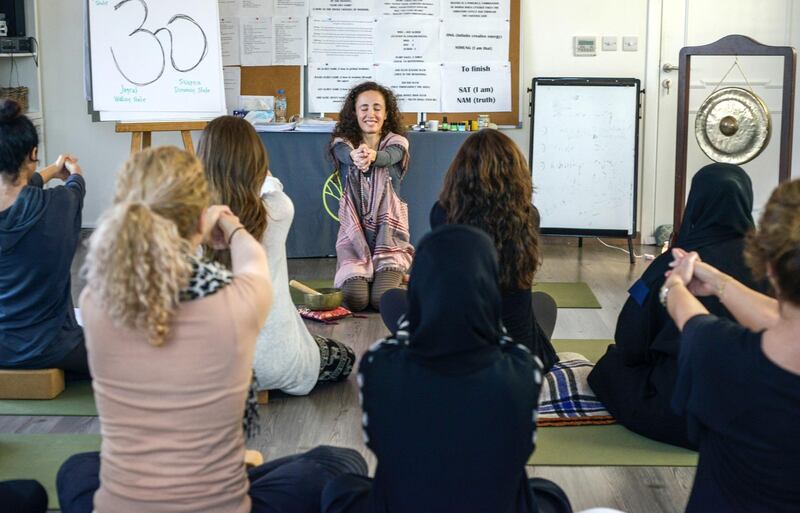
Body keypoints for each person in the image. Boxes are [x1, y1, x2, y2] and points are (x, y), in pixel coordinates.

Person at [56, 147, 366, 513]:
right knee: (340, 462)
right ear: (199, 215)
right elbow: (253, 260)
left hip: (123, 505)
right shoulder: (234, 300)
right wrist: (231, 226)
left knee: (77, 469)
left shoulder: (95, 301)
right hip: (218, 505)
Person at [322, 225, 572, 513]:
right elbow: (520, 450)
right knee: (548, 493)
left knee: (340, 487)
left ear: (418, 288)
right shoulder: (524, 369)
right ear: (491, 290)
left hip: (405, 503)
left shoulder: (379, 365)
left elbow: (377, 442)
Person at [588, 163, 763, 449]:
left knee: (610, 366)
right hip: (752, 416)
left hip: (681, 413)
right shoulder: (770, 268)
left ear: (695, 202)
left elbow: (631, 341)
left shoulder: (673, 264)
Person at [662, 179, 800, 512]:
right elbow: (778, 317)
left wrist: (676, 284)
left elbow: (689, 317)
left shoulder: (722, 354)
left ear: (769, 266)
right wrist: (717, 281)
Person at [198, 116, 355, 395]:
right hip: (272, 362)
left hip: (206, 369)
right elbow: (271, 185)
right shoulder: (278, 209)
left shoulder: (185, 220)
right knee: (345, 357)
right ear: (256, 160)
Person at [380, 129, 559, 372]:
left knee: (391, 299)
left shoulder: (443, 213)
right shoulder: (529, 216)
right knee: (543, 303)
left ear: (460, 172)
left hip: (457, 348)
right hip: (518, 353)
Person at [0, 99, 88, 376]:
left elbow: (20, 191)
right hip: (52, 347)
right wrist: (71, 172)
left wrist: (49, 170)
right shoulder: (59, 203)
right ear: (33, 153)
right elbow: (75, 186)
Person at [330, 81, 412, 312]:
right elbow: (346, 155)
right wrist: (357, 155)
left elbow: (388, 157)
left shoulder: (398, 143)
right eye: (364, 108)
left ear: (386, 114)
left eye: (377, 108)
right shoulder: (342, 145)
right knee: (356, 301)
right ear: (354, 112)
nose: (370, 114)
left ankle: (394, 275)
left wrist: (371, 156)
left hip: (390, 243)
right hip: (354, 244)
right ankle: (369, 274)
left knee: (381, 300)